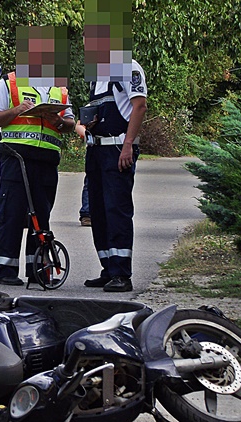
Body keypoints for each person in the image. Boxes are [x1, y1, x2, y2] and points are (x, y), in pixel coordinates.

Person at [0, 72, 75, 286]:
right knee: (11, 214)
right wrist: (16, 110)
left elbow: (70, 124)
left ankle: (37, 270)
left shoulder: (59, 88)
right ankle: (6, 269)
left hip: (46, 159)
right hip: (16, 157)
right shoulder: (10, 83)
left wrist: (59, 122)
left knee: (41, 218)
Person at [82, 61, 147, 292]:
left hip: (118, 149)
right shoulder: (96, 75)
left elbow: (139, 106)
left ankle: (121, 273)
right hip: (96, 150)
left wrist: (128, 144)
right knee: (98, 212)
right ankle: (108, 268)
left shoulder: (128, 67)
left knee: (116, 210)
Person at [74, 123, 91, 226]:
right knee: (90, 182)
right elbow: (79, 126)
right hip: (96, 149)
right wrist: (88, 135)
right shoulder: (93, 106)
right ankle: (87, 214)